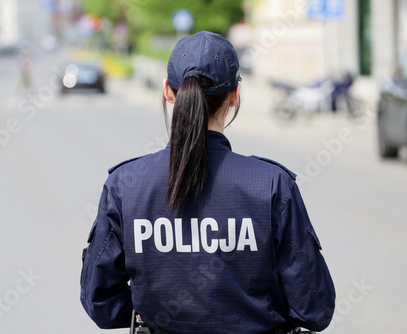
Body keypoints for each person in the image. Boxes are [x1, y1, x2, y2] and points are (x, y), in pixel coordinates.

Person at [80, 31, 335, 334]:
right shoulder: (271, 185)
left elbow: (100, 303)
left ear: (168, 92)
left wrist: (152, 314)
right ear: (235, 94)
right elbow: (315, 310)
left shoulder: (125, 185)